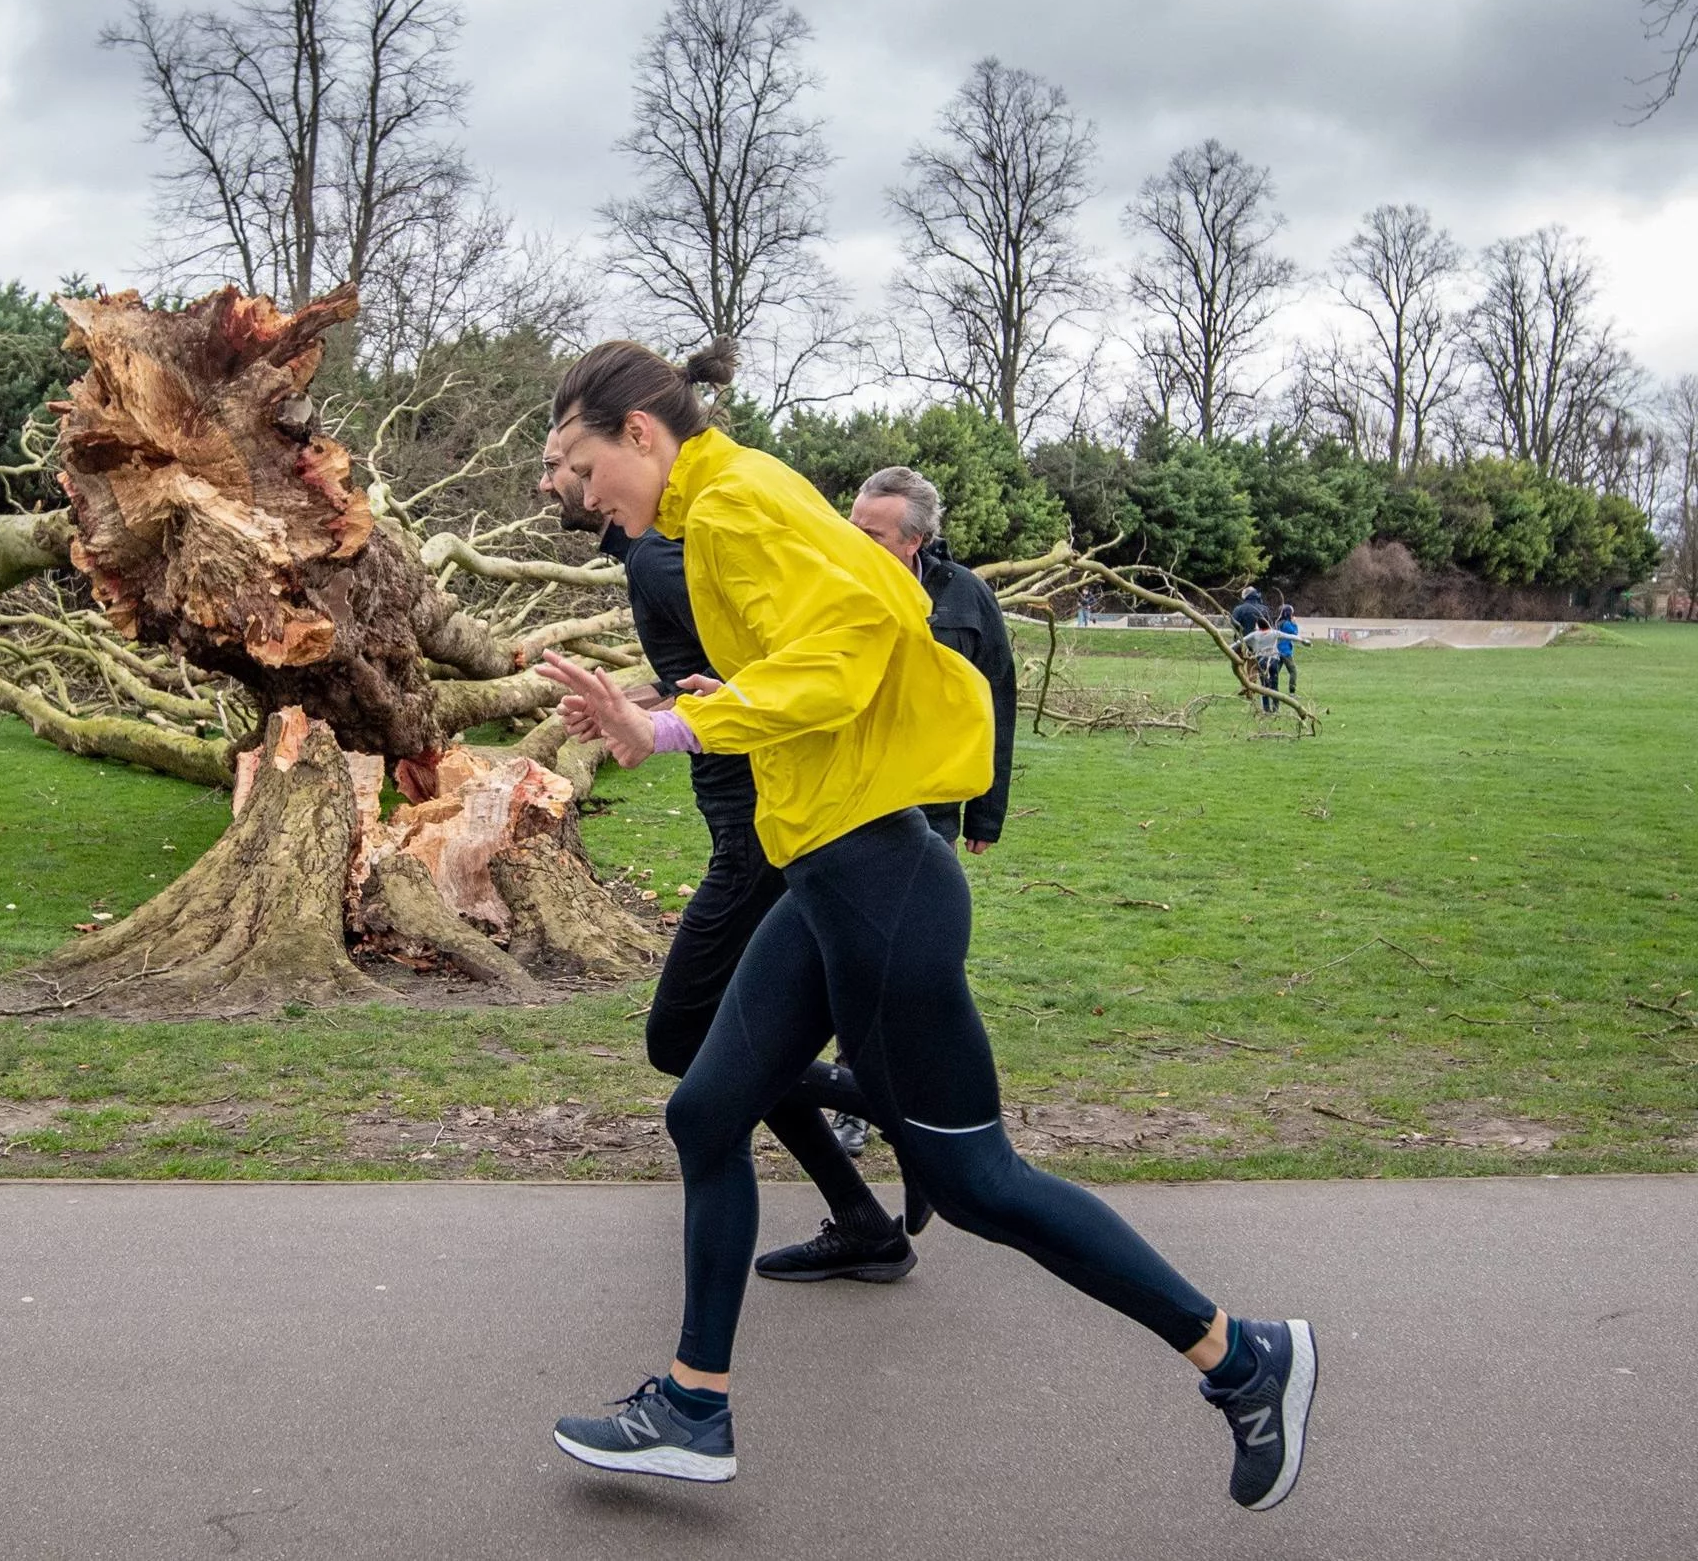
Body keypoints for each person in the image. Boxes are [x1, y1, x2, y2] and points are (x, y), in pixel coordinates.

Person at [533, 338, 1317, 1508]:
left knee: (978, 1180)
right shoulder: (735, 499)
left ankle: (1242, 1357)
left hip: (880, 887)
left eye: (583, 467)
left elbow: (846, 659)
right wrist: (724, 697)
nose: (584, 497)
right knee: (704, 1108)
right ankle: (693, 1406)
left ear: (639, 435)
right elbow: (879, 607)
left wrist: (677, 730)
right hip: (831, 873)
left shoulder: (735, 504)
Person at [537, 424, 910, 1285]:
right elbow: (724, 673)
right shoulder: (658, 557)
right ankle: (862, 1213)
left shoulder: (661, 556)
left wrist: (665, 719)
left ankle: (898, 1111)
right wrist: (642, 701)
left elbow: (778, 669)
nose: (558, 486)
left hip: (757, 831)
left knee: (684, 1037)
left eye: (568, 467)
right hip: (751, 825)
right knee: (719, 1046)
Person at [847, 467, 1016, 855]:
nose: (853, 543)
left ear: (915, 541)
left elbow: (996, 701)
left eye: (871, 535)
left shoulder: (967, 595)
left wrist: (985, 813)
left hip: (930, 809)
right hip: (844, 799)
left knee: (924, 912)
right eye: (850, 527)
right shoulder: (825, 586)